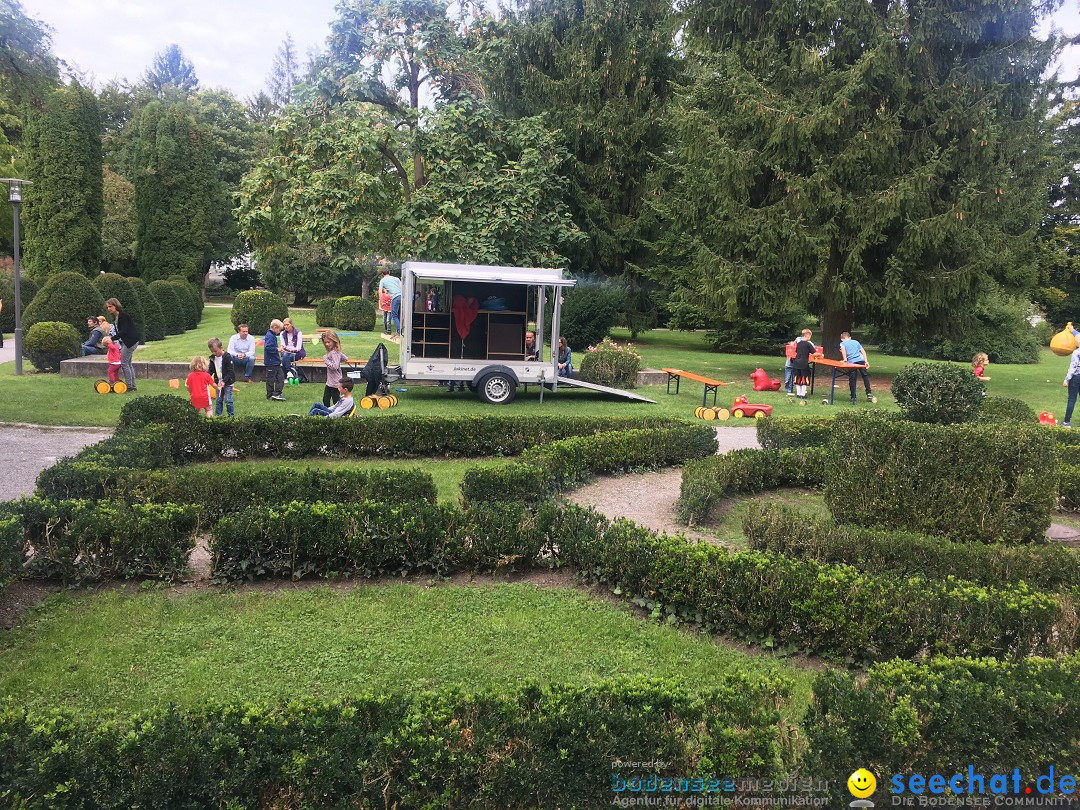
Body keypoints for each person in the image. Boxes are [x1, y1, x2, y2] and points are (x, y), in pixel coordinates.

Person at [105, 297, 138, 392]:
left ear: (116, 305)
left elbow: (124, 331)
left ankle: (129, 386)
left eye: (110, 306)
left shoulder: (123, 316)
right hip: (127, 342)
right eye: (107, 307)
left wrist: (112, 339)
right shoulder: (116, 317)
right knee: (128, 364)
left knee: (124, 363)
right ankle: (132, 386)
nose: (109, 309)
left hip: (130, 342)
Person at [839, 331, 877, 404]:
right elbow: (863, 351)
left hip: (852, 362)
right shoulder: (856, 342)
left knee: (852, 379)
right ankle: (868, 392)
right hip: (861, 360)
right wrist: (866, 361)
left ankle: (853, 397)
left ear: (842, 339)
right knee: (865, 376)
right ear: (850, 338)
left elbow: (843, 350)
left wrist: (845, 359)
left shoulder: (842, 343)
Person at [207, 337, 236, 417]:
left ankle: (231, 416)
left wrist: (224, 381)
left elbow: (230, 371)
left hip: (228, 382)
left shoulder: (227, 357)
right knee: (219, 400)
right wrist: (206, 376)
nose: (214, 353)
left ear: (221, 348)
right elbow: (211, 370)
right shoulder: (212, 358)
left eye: (215, 351)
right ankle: (218, 415)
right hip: (218, 382)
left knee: (228, 400)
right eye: (212, 351)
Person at [320, 330, 349, 407]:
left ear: (334, 341)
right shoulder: (335, 351)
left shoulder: (334, 353)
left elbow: (335, 366)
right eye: (325, 342)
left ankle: (336, 413)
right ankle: (329, 412)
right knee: (326, 399)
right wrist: (343, 358)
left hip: (335, 382)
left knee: (335, 400)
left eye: (329, 342)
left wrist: (326, 360)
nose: (327, 344)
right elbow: (344, 358)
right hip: (330, 381)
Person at [791, 329, 816, 404]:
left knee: (797, 377)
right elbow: (814, 353)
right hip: (804, 363)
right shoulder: (808, 344)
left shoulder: (799, 343)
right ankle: (803, 394)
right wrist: (819, 355)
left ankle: (798, 394)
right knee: (805, 377)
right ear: (807, 335)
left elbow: (797, 351)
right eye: (810, 336)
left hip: (796, 363)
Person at [378, 266, 402, 341]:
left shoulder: (383, 280)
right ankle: (401, 332)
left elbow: (380, 292)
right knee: (400, 315)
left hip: (395, 297)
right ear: (389, 272)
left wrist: (382, 302)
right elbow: (402, 288)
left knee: (394, 315)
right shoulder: (396, 279)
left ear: (382, 274)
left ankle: (399, 333)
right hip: (402, 297)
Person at [264, 319, 286, 401]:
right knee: (270, 379)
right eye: (279, 329)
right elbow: (267, 347)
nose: (280, 332)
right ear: (274, 327)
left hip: (275, 361)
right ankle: (270, 395)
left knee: (280, 377)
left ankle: (277, 393)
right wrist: (277, 349)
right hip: (271, 362)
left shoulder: (272, 335)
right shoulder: (270, 336)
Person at [1064, 345, 1080, 428]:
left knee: (1072, 399)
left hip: (1076, 377)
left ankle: (1066, 422)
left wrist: (1067, 379)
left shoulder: (1077, 352)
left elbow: (1073, 366)